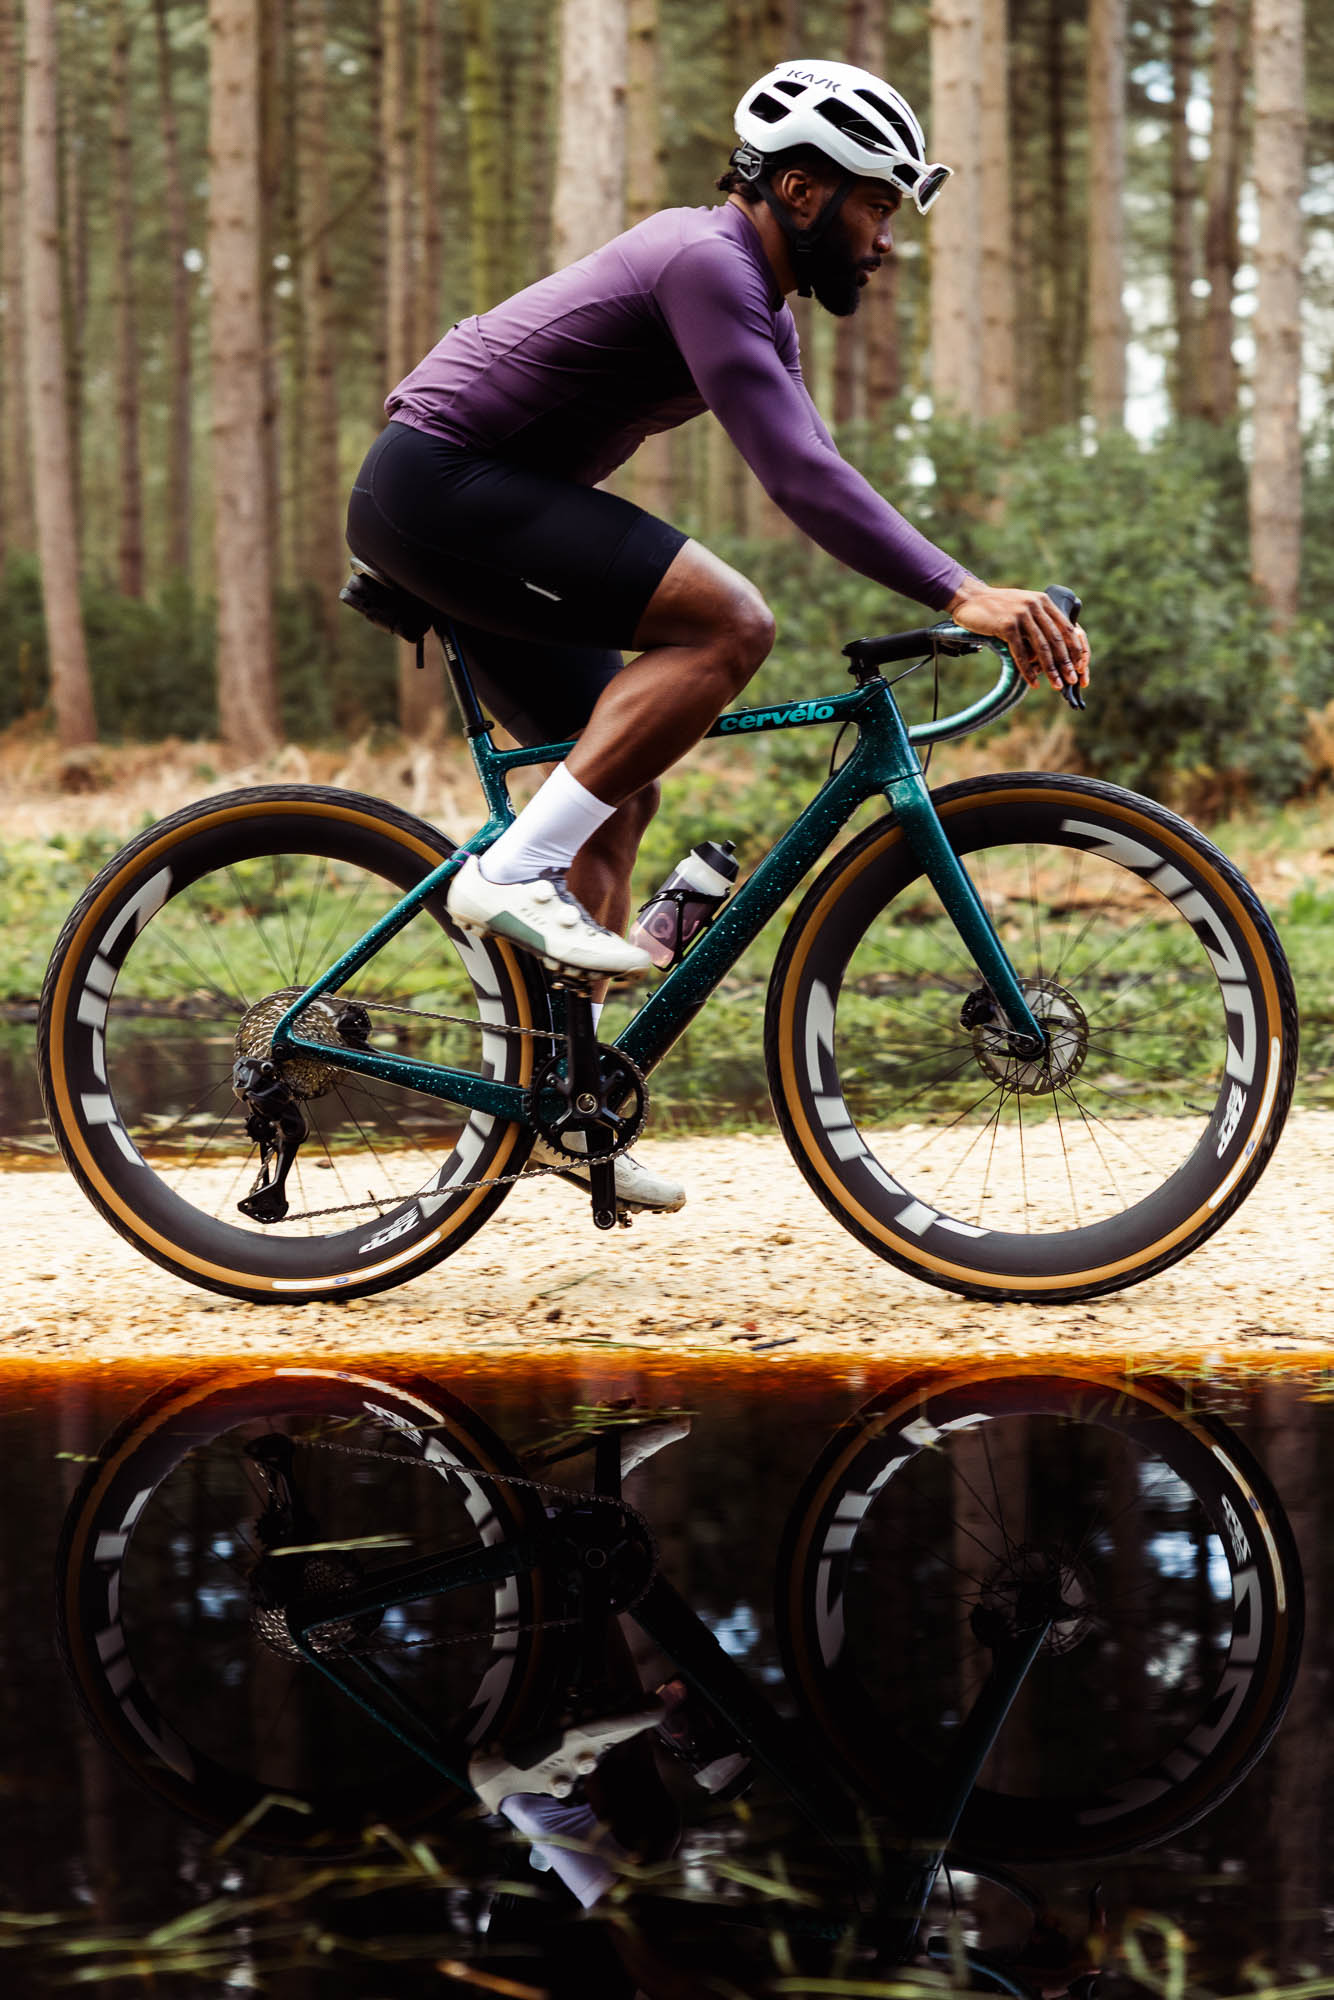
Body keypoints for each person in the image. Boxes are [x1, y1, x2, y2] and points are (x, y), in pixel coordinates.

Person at [345, 57, 1091, 1215]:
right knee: (730, 621)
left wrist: (955, 583)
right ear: (799, 189)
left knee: (615, 790)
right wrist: (960, 592)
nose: (885, 241)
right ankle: (504, 874)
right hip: (438, 484)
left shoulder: (752, 303)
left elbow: (818, 460)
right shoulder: (704, 260)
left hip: (464, 504)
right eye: (875, 205)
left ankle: (562, 1101)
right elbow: (793, 475)